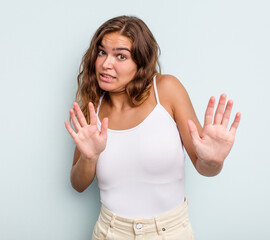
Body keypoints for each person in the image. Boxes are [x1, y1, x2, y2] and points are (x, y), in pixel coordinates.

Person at [64, 15, 241, 240]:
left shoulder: (167, 90)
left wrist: (213, 161)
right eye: (101, 52)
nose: (106, 64)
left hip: (171, 232)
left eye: (121, 56)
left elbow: (204, 166)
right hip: (109, 232)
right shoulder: (92, 110)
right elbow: (78, 185)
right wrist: (89, 158)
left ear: (141, 62)